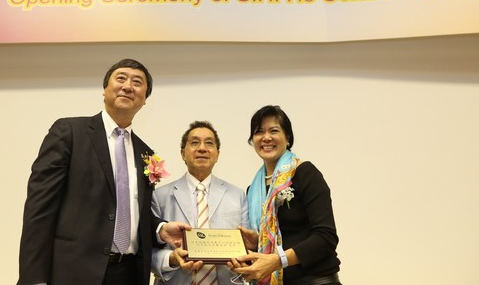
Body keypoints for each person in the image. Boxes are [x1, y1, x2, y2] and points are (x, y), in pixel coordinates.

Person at [17, 58, 190, 285]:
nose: (128, 86)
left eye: (137, 82)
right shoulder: (69, 133)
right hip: (73, 272)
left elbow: (132, 211)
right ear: (105, 89)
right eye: (121, 78)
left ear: (145, 100)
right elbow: (39, 210)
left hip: (129, 274)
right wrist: (33, 279)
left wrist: (160, 228)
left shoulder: (145, 153)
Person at [229, 105, 342, 285]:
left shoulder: (305, 173)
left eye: (274, 130)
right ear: (253, 140)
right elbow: (285, 236)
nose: (266, 137)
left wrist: (279, 260)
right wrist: (258, 241)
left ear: (287, 138)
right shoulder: (253, 190)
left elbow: (325, 237)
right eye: (259, 132)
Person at [151, 121, 249, 285]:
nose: (202, 148)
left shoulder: (238, 195)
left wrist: (242, 260)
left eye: (209, 143)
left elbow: (248, 247)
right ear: (183, 153)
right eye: (195, 142)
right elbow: (147, 251)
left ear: (217, 154)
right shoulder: (160, 196)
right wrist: (171, 259)